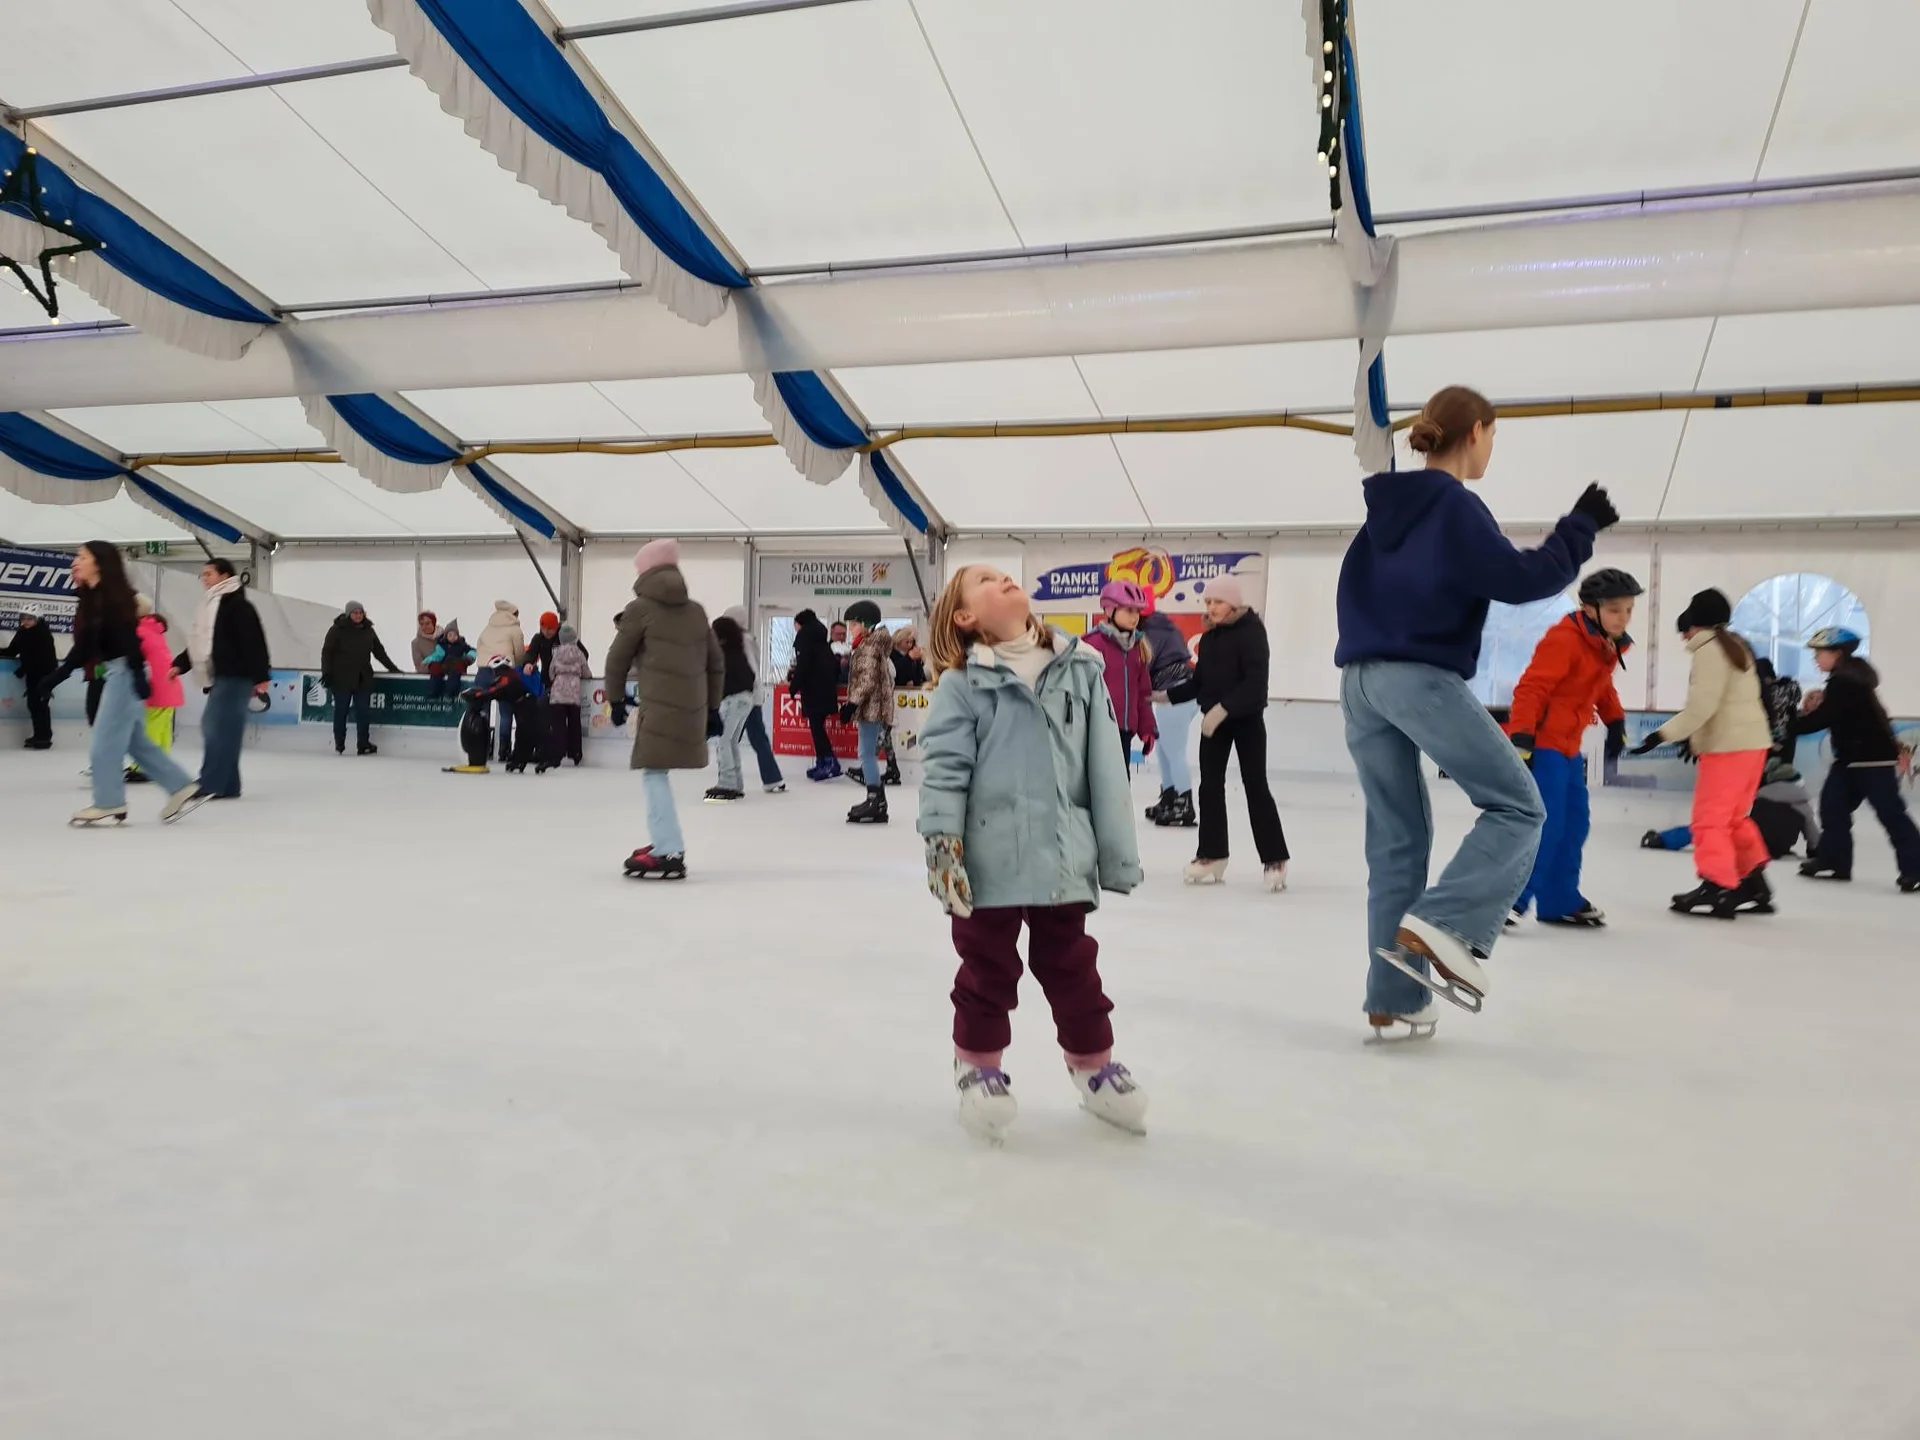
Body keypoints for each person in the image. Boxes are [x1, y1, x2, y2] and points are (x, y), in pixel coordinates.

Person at [1334, 385, 1616, 1036]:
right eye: (1494, 437)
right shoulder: (1452, 505)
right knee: (1519, 806)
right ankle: (1448, 922)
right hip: (1418, 678)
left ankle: (1395, 997)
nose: (1492, 450)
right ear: (1477, 433)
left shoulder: (1384, 513)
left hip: (1360, 682)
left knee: (1398, 840)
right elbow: (1521, 580)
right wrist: (1580, 528)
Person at [918, 564, 1147, 1142]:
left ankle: (1094, 1066)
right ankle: (978, 1069)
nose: (1003, 579)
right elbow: (944, 770)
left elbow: (1105, 767)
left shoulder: (1080, 668)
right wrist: (943, 847)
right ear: (965, 617)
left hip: (1062, 856)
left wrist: (1115, 853)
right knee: (987, 969)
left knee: (1073, 967)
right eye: (985, 580)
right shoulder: (963, 684)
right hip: (987, 863)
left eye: (1003, 574)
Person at [1505, 568, 1641, 927]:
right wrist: (1522, 737)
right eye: (1615, 610)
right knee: (1547, 825)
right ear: (1590, 608)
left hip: (1568, 748)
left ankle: (1559, 900)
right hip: (1545, 744)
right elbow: (1531, 688)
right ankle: (1509, 900)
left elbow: (1601, 686)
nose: (1623, 618)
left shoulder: (1603, 645)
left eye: (1629, 610)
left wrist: (1615, 721)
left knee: (1575, 824)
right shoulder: (1565, 640)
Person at [1627, 589, 1774, 918]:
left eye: (1685, 631)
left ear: (1695, 625)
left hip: (1728, 747)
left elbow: (1701, 707)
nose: (1684, 638)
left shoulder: (1709, 651)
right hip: (1753, 745)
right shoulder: (1737, 647)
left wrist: (1661, 735)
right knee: (1734, 819)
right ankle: (1752, 882)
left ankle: (1718, 886)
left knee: (1709, 821)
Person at [57, 542, 204, 826]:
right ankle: (180, 786)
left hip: (124, 673)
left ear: (99, 563)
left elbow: (130, 641)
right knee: (137, 743)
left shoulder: (112, 599)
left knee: (104, 743)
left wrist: (136, 674)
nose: (75, 562)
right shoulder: (94, 596)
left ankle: (108, 801)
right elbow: (86, 645)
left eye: (82, 556)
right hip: (119, 672)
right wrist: (59, 674)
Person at [607, 539, 724, 880]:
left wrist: (615, 699)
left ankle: (668, 849)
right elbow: (716, 663)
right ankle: (664, 842)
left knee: (654, 772)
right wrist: (713, 708)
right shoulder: (696, 611)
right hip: (693, 707)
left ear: (645, 571)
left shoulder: (639, 609)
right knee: (655, 771)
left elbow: (617, 659)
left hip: (658, 708)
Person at [1790, 627, 1920, 890]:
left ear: (1837, 653)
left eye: (1819, 653)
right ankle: (1833, 860)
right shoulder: (1850, 677)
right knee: (1833, 806)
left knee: (1890, 813)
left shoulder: (1845, 682)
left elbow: (1825, 717)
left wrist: (1789, 726)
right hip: (1851, 757)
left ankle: (1915, 869)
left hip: (1871, 759)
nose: (1816, 659)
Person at [1184, 574, 1289, 892]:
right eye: (1208, 601)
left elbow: (1255, 684)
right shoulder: (1210, 639)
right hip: (1213, 723)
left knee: (1255, 786)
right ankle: (1212, 854)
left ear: (1233, 603)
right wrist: (1163, 695)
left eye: (1217, 601)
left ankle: (1275, 858)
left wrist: (1224, 709)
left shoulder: (1252, 633)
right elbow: (1198, 683)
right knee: (1209, 787)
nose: (1211, 607)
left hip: (1246, 721)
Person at [174, 557, 271, 801]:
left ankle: (211, 782)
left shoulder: (238, 606)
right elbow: (201, 642)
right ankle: (228, 784)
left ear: (225, 576)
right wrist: (180, 664)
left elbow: (254, 641)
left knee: (215, 726)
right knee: (225, 729)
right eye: (203, 575)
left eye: (209, 574)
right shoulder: (212, 606)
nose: (204, 579)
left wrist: (261, 675)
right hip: (221, 675)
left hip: (236, 675)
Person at [1083, 579, 1158, 772]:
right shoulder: (1092, 644)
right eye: (1129, 610)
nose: (1135, 617)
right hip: (1096, 731)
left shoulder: (1137, 647)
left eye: (1137, 611)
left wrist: (1147, 728)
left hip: (1124, 732)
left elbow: (1143, 692)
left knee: (1121, 783)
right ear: (1109, 610)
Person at [1140, 598, 1199, 828]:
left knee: (1174, 751)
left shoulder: (1150, 631)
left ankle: (1184, 804)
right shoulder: (1162, 625)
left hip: (1175, 692)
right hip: (1178, 689)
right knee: (1165, 749)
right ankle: (1170, 798)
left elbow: (1145, 662)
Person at [320, 601, 401, 756]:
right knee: (341, 711)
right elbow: (327, 652)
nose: (358, 615)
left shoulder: (368, 630)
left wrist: (393, 668)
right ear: (348, 614)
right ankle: (339, 743)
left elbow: (379, 652)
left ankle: (363, 743)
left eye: (360, 613)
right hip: (341, 678)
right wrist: (327, 672)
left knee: (363, 712)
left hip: (363, 678)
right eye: (355, 613)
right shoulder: (337, 630)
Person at [720, 606, 785, 795]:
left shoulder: (743, 640)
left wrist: (752, 690)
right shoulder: (743, 639)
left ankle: (736, 780)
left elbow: (751, 667)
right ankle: (771, 778)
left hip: (747, 695)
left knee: (736, 738)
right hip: (749, 694)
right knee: (750, 737)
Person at [841, 601, 896, 824]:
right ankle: (877, 800)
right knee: (867, 752)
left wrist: (851, 705)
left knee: (866, 754)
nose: (850, 629)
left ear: (866, 624)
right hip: (874, 707)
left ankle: (875, 800)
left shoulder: (868, 647)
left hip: (871, 708)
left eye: (853, 625)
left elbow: (867, 680)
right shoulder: (872, 644)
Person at [125, 598, 182, 785]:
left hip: (157, 686)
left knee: (150, 728)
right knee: (163, 729)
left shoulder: (138, 631)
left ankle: (145, 766)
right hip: (169, 683)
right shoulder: (153, 629)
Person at [788, 608, 842, 781]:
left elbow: (803, 665)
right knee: (817, 727)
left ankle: (830, 763)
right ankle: (823, 762)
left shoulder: (805, 638)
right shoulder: (820, 640)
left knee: (817, 729)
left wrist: (793, 687)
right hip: (825, 689)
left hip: (813, 690)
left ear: (800, 624)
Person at [468, 656, 546, 773]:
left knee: (526, 733)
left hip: (526, 705)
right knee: (525, 733)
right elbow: (497, 691)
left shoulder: (506, 678)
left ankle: (527, 759)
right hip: (527, 704)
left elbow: (495, 691)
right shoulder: (511, 675)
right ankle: (520, 760)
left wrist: (477, 695)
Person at [476, 600, 526, 762]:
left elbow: (479, 646)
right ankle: (504, 749)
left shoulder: (488, 628)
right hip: (505, 671)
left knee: (481, 711)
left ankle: (481, 746)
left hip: (484, 670)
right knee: (506, 712)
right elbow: (520, 653)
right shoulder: (514, 629)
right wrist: (518, 667)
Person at [3, 610, 57, 748]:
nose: (26, 622)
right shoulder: (22, 632)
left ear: (37, 619)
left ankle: (44, 738)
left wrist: (24, 669)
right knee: (33, 704)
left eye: (30, 619)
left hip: (45, 674)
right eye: (23, 618)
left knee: (40, 705)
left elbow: (44, 658)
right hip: (32, 674)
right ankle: (38, 735)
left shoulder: (43, 634)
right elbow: (12, 650)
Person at [546, 623, 590, 767]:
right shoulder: (579, 653)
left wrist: (555, 678)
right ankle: (575, 754)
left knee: (558, 725)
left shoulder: (556, 652)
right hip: (574, 693)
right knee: (574, 724)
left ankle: (557, 754)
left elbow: (551, 671)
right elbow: (586, 672)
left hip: (558, 694)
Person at [421, 619, 475, 699]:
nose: (453, 637)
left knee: (455, 672)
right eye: (450, 635)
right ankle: (435, 690)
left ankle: (450, 692)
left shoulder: (462, 645)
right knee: (435, 668)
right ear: (446, 636)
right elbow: (438, 655)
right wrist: (429, 660)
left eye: (455, 635)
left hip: (455, 666)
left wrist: (469, 657)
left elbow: (472, 651)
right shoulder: (442, 645)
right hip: (445, 665)